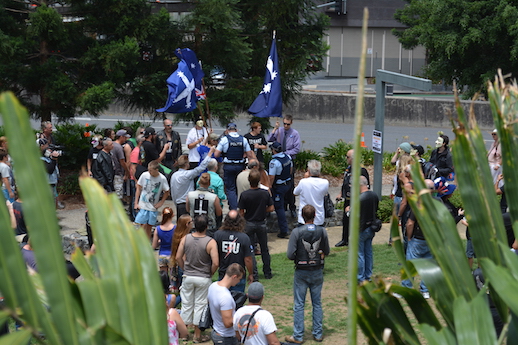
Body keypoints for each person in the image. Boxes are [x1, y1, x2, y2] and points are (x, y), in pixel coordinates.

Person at [286, 204, 330, 344]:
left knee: (299, 304)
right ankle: (318, 334)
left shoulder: (296, 232)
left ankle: (298, 336)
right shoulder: (322, 231)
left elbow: (290, 254)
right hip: (317, 270)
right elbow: (326, 250)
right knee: (317, 303)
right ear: (315, 215)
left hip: (301, 271)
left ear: (302, 216)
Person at [176, 214, 219, 343]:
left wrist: (185, 269)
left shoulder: (186, 238)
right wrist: (210, 273)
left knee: (186, 304)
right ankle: (197, 335)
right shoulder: (210, 242)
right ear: (206, 226)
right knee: (200, 305)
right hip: (203, 277)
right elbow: (216, 263)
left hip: (188, 276)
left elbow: (178, 257)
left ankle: (183, 334)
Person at [400, 179, 435, 299]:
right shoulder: (438, 202)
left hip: (418, 238)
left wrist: (409, 237)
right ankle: (425, 289)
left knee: (411, 264)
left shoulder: (419, 203)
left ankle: (406, 288)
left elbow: (410, 223)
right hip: (432, 239)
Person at [238, 169, 274, 280]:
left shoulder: (244, 195)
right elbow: (271, 208)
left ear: (249, 180)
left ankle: (254, 273)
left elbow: (241, 211)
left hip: (249, 223)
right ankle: (267, 272)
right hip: (261, 223)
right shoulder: (264, 193)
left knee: (251, 249)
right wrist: (263, 211)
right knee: (264, 248)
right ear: (259, 180)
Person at [214, 123, 255, 210]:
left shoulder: (224, 139)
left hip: (229, 166)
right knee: (239, 187)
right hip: (240, 166)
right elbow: (249, 154)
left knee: (230, 189)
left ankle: (233, 209)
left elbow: (216, 154)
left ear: (227, 130)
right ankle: (241, 207)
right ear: (236, 130)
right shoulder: (243, 139)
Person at [335, 149, 370, 247]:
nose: (346, 159)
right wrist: (340, 194)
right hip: (347, 199)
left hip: (356, 201)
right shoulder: (348, 169)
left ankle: (355, 240)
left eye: (347, 157)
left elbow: (366, 187)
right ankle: (345, 240)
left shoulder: (361, 171)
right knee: (346, 220)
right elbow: (345, 183)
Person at [213, 210, 254, 292]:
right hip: (238, 276)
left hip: (223, 275)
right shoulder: (244, 237)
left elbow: (214, 255)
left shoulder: (218, 235)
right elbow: (248, 259)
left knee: (223, 301)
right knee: (237, 302)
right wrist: (251, 274)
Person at [268, 115, 301, 217]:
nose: (286, 126)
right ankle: (282, 205)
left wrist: (285, 154)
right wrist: (275, 129)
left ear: (291, 123)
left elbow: (297, 148)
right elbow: (270, 139)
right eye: (284, 124)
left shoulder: (294, 134)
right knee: (279, 184)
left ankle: (292, 207)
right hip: (279, 160)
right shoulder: (279, 131)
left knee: (289, 185)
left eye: (288, 124)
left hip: (288, 160)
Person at [170, 147, 215, 217]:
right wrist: (210, 154)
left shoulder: (174, 175)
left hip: (178, 204)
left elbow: (173, 191)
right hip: (187, 203)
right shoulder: (188, 175)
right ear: (186, 164)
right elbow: (201, 167)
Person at [208, 263, 245, 345]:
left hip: (216, 331)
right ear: (234, 277)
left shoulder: (212, 286)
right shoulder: (225, 297)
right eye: (239, 279)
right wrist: (242, 317)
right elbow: (227, 323)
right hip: (226, 338)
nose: (239, 281)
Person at [352, 176, 379, 284]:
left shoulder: (359, 199)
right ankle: (368, 276)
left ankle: (360, 278)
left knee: (360, 254)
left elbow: (355, 216)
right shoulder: (374, 195)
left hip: (361, 229)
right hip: (371, 228)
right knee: (368, 253)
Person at [134, 160, 170, 239]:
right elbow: (138, 188)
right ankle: (139, 240)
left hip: (153, 206)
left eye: (151, 170)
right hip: (143, 204)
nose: (149, 172)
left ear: (156, 170)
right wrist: (136, 202)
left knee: (150, 226)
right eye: (148, 170)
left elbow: (167, 191)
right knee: (141, 224)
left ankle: (147, 241)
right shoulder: (144, 175)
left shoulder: (162, 178)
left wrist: (161, 202)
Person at [268, 142, 293, 239]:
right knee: (284, 204)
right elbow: (290, 170)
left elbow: (271, 177)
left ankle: (284, 231)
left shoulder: (274, 162)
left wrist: (269, 188)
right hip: (287, 184)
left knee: (279, 208)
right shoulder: (288, 157)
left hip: (279, 187)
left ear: (274, 150)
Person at [293, 160, 329, 226]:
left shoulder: (303, 182)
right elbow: (325, 193)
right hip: (318, 217)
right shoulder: (325, 182)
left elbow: (295, 192)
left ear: (308, 171)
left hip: (304, 218)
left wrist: (305, 178)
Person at [186, 172, 222, 237]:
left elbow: (188, 209)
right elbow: (219, 213)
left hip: (194, 226)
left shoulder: (190, 195)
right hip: (209, 228)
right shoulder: (214, 197)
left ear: (199, 182)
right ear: (209, 183)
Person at [170, 214, 194, 292]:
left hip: (176, 265)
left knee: (181, 289)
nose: (193, 223)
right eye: (191, 221)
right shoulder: (186, 238)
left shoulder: (176, 235)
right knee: (186, 292)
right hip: (184, 266)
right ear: (187, 224)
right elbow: (183, 256)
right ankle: (171, 303)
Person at [200, 158, 226, 228]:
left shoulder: (201, 178)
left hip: (202, 206)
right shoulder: (218, 180)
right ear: (216, 167)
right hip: (215, 207)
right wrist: (225, 197)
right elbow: (221, 195)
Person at [38, 138, 62, 208]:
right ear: (41, 146)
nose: (49, 149)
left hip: (51, 183)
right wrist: (54, 159)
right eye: (47, 146)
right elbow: (49, 170)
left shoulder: (47, 158)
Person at [112, 129, 131, 199]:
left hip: (111, 172)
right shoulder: (119, 147)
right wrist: (127, 172)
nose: (126, 139)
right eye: (125, 137)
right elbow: (122, 162)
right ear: (121, 137)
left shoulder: (112, 144)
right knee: (118, 193)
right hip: (118, 172)